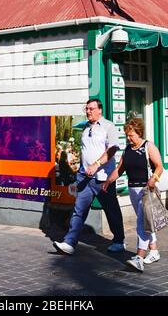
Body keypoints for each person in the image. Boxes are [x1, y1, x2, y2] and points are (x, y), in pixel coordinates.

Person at [53, 98, 125, 255]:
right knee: (79, 210)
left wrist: (96, 164)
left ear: (100, 110)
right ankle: (69, 243)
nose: (88, 111)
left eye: (91, 109)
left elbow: (113, 149)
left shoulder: (108, 126)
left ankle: (119, 241)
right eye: (86, 109)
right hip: (85, 178)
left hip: (103, 178)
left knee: (111, 210)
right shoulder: (85, 128)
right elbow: (85, 151)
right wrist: (80, 170)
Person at [103, 117, 163, 272]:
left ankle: (139, 258)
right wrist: (108, 181)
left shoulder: (148, 146)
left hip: (145, 190)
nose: (129, 138)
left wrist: (153, 179)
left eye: (132, 135)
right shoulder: (128, 149)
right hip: (132, 190)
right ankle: (154, 250)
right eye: (127, 135)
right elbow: (120, 169)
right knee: (145, 221)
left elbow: (159, 166)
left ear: (139, 132)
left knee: (142, 224)